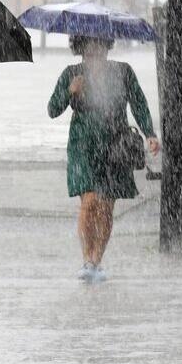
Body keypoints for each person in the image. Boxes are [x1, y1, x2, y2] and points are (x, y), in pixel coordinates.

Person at [47, 35, 160, 283]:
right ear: (81, 47)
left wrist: (149, 133)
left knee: (106, 206)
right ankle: (87, 260)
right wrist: (70, 92)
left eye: (100, 44)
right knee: (89, 202)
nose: (95, 50)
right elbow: (52, 109)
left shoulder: (123, 72)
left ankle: (96, 261)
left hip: (114, 146)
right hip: (82, 146)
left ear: (107, 45)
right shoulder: (72, 74)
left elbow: (139, 103)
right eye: (90, 45)